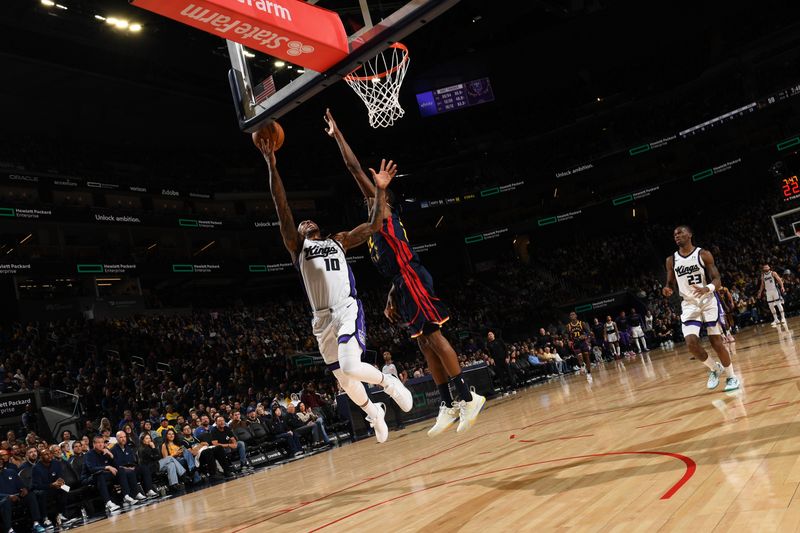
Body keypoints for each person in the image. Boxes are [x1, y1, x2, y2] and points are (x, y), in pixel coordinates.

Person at [325, 109, 484, 437]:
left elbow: (354, 169)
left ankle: (469, 397)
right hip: (402, 283)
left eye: (374, 197)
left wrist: (338, 135)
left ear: (384, 202)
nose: (368, 200)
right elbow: (393, 264)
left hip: (413, 278)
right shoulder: (372, 231)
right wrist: (391, 293)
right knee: (425, 344)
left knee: (436, 339)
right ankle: (448, 403)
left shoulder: (383, 209)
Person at [253, 131, 412, 445]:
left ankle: (389, 384)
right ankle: (374, 411)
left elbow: (375, 225)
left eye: (311, 221)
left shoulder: (337, 240)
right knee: (346, 381)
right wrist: (272, 164)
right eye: (302, 222)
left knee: (353, 365)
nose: (307, 221)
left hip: (346, 309)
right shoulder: (298, 247)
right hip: (321, 321)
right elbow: (281, 205)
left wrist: (380, 192)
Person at [662, 225, 739, 391]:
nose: (677, 236)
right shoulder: (671, 260)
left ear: (690, 234)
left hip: (708, 300)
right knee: (691, 343)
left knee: (716, 342)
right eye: (674, 234)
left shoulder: (703, 254)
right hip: (689, 303)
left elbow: (717, 278)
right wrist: (667, 288)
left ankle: (732, 377)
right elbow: (669, 282)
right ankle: (714, 368)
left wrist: (708, 288)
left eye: (680, 232)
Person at [0, 449, 47, 533]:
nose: (0, 462)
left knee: (31, 495)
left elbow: (22, 486)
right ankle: (9, 529)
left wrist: (24, 489)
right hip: (4, 499)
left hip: (17, 496)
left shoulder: (11, 472)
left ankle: (36, 523)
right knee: (5, 501)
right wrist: (8, 496)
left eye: (1, 460)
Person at [81, 435, 122, 512]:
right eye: (98, 443)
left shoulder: (105, 452)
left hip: (102, 475)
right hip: (88, 478)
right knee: (100, 474)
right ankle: (108, 503)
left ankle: (127, 496)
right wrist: (107, 467)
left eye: (102, 442)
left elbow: (117, 467)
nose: (101, 444)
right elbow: (92, 469)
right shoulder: (89, 454)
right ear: (94, 444)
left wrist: (111, 455)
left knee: (121, 471)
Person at [31, 448, 69, 527]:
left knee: (66, 488)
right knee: (42, 494)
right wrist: (51, 485)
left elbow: (60, 476)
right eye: (46, 454)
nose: (49, 456)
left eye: (50, 453)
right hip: (42, 489)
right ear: (41, 457)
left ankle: (60, 513)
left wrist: (61, 481)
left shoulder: (56, 463)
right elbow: (37, 485)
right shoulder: (36, 468)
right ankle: (45, 518)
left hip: (54, 486)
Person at [111, 431, 154, 500]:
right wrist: (126, 468)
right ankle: (136, 493)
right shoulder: (113, 450)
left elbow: (132, 460)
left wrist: (133, 466)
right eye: (121, 437)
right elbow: (115, 464)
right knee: (130, 472)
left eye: (124, 437)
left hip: (131, 467)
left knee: (144, 467)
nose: (123, 439)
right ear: (117, 439)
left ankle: (149, 490)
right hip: (122, 471)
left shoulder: (128, 448)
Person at [566, 312, 593, 381]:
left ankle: (589, 373)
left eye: (573, 314)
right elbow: (567, 335)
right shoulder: (568, 326)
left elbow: (588, 332)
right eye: (570, 315)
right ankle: (582, 365)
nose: (572, 316)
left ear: (576, 316)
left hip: (583, 342)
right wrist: (568, 341)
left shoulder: (581, 323)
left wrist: (585, 336)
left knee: (586, 357)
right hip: (575, 343)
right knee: (580, 356)